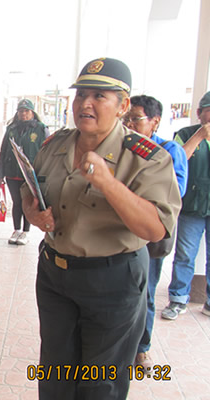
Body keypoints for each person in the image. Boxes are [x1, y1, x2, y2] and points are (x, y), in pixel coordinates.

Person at [21, 57, 181, 399]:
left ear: (123, 105)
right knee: (54, 374)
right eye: (80, 95)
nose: (85, 104)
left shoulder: (147, 158)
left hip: (113, 281)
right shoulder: (55, 145)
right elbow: (29, 188)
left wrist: (109, 183)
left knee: (100, 384)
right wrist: (33, 214)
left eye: (99, 96)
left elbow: (155, 229)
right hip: (54, 276)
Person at [123, 95, 188, 367]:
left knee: (145, 292)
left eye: (135, 119)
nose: (128, 124)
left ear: (155, 122)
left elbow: (175, 193)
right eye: (125, 119)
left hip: (149, 237)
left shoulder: (169, 151)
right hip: (122, 234)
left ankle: (142, 347)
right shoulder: (120, 149)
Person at [162, 90, 210, 320]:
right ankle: (178, 299)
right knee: (185, 254)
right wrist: (200, 136)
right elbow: (177, 160)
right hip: (192, 206)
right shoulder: (185, 134)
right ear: (200, 113)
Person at [0, 98, 48, 245]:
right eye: (20, 111)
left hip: (30, 174)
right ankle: (16, 230)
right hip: (12, 172)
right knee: (16, 202)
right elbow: (3, 150)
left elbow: (47, 152)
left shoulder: (40, 128)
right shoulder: (11, 129)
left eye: (26, 111)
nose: (23, 114)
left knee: (28, 202)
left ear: (32, 113)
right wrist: (0, 173)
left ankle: (25, 232)